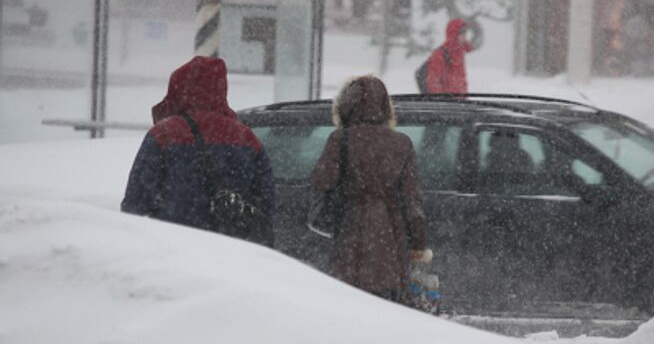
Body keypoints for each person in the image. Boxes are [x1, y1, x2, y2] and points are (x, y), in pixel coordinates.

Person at [121, 56, 275, 242]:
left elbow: (135, 203)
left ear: (179, 90)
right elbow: (266, 203)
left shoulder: (164, 135)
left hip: (172, 248)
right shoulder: (247, 138)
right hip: (231, 251)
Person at [310, 75, 433, 303]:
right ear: (385, 107)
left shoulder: (340, 139)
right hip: (390, 241)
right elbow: (412, 202)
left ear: (346, 105)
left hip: (349, 233)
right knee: (385, 306)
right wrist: (418, 244)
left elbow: (322, 181)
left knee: (348, 301)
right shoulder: (402, 143)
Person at [425, 18, 474, 95]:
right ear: (453, 33)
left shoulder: (459, 53)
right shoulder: (439, 54)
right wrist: (442, 102)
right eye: (461, 32)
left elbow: (460, 82)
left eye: (465, 32)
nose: (464, 35)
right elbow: (433, 82)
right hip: (447, 104)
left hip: (460, 103)